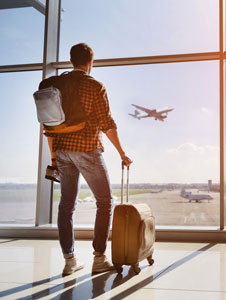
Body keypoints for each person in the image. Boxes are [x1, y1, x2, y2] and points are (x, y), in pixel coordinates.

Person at [44, 43, 132, 276]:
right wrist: (122, 153)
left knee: (67, 205)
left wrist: (54, 156)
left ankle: (69, 260)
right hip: (87, 148)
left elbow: (48, 126)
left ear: (71, 60)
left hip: (62, 151)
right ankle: (99, 257)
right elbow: (107, 123)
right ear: (90, 63)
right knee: (104, 202)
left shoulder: (56, 84)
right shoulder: (94, 85)